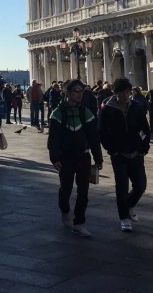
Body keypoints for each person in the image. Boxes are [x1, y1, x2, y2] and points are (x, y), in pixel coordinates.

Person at [48, 79, 104, 238]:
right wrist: (54, 157)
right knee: (65, 189)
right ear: (67, 92)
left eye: (82, 91)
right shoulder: (57, 114)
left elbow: (94, 137)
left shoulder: (86, 113)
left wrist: (98, 158)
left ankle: (79, 223)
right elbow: (53, 139)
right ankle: (65, 210)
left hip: (83, 156)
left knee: (83, 191)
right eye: (76, 91)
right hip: (66, 157)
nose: (80, 94)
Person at [99, 77, 150, 232]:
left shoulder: (136, 107)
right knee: (121, 187)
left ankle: (129, 205)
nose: (124, 96)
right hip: (119, 154)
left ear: (130, 92)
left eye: (127, 92)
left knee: (140, 185)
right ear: (116, 94)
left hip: (136, 152)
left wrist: (143, 148)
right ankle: (124, 218)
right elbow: (101, 132)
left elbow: (145, 129)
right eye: (121, 93)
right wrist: (111, 149)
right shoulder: (108, 109)